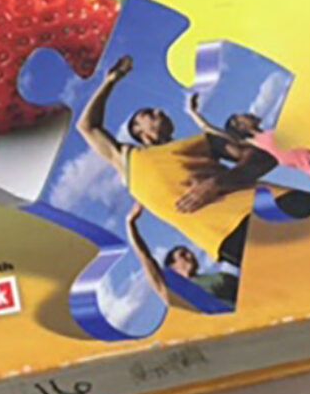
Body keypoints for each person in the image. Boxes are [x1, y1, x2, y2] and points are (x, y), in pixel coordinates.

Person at [77, 56, 279, 272]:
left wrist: (218, 182)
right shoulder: (128, 158)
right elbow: (87, 126)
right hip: (228, 240)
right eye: (148, 114)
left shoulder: (200, 142)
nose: (158, 111)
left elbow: (263, 159)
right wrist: (111, 80)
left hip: (270, 204)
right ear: (139, 132)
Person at [125, 205, 239, 304]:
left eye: (189, 252)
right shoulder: (179, 294)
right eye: (183, 255)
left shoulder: (214, 277)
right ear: (173, 267)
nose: (190, 255)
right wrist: (130, 224)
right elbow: (146, 258)